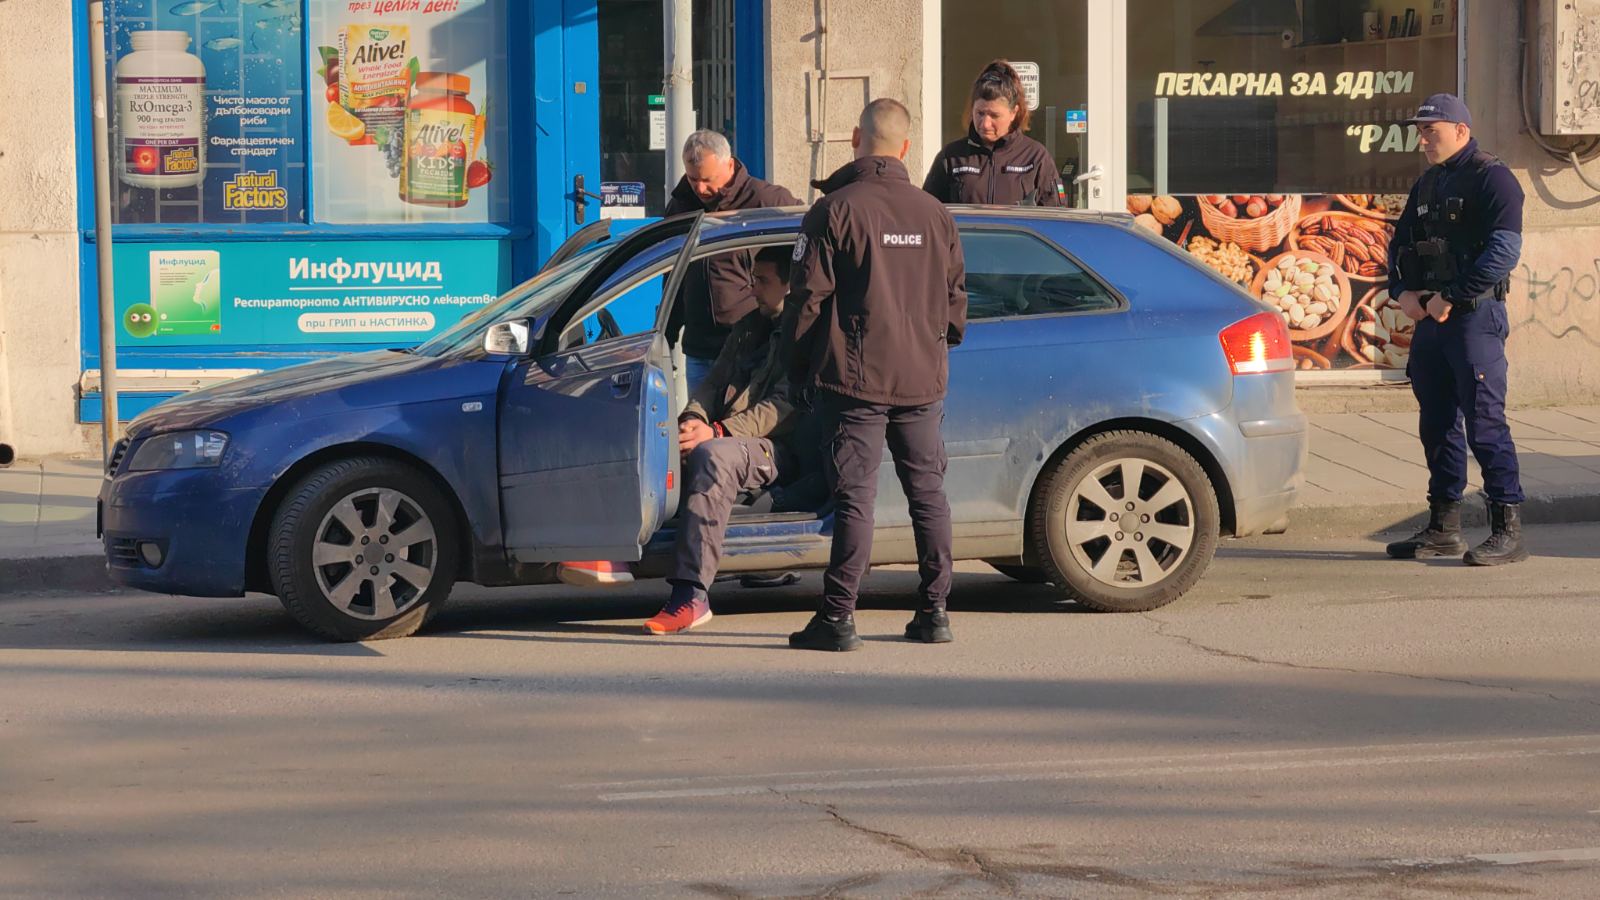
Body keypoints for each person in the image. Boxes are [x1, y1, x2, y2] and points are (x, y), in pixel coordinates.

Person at [782, 98, 968, 652]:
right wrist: (935, 344)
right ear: (906, 147)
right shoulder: (936, 213)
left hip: (855, 377)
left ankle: (838, 617)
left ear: (854, 139)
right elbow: (957, 299)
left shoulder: (834, 210)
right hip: (921, 376)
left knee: (856, 499)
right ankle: (934, 612)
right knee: (928, 493)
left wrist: (796, 369)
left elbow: (805, 301)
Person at [1384, 93, 1529, 566]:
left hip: (1474, 319)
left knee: (1484, 424)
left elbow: (1503, 252)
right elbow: (1399, 244)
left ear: (1461, 131)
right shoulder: (1428, 183)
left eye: (1432, 130)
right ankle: (1443, 528)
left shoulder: (1493, 178)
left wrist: (1452, 296)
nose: (1424, 140)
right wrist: (1402, 291)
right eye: (1421, 132)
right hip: (1431, 320)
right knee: (1437, 424)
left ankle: (1507, 529)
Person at [642, 247, 817, 634]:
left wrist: (718, 432)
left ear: (790, 285)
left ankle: (691, 595)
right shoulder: (749, 326)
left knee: (713, 456)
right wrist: (693, 420)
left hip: (776, 447)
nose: (752, 289)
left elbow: (783, 406)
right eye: (753, 279)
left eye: (762, 281)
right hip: (731, 437)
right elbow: (712, 383)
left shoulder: (804, 333)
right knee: (668, 441)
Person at [665, 130, 800, 393]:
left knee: (741, 417)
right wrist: (667, 333)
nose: (700, 189)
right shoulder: (680, 206)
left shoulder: (766, 201)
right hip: (699, 347)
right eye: (693, 179)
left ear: (729, 165)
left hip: (750, 344)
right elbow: (671, 275)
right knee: (697, 415)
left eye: (707, 179)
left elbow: (806, 247)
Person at [922, 60, 1065, 207]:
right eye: (980, 113)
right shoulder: (951, 157)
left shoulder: (1036, 157)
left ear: (1013, 113)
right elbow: (927, 211)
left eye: (994, 115)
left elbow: (1056, 214)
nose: (985, 123)